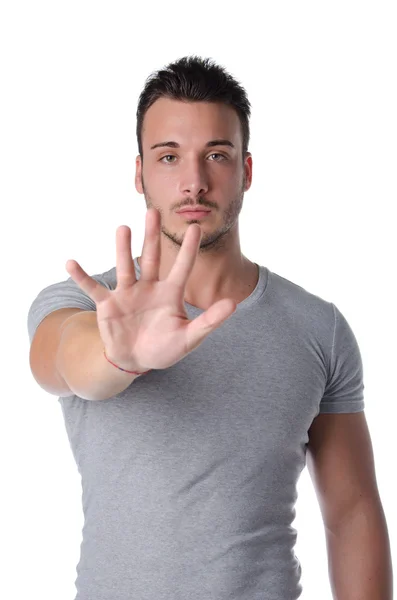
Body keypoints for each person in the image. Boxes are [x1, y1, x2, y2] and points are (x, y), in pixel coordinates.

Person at [27, 55, 393, 600]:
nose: (193, 182)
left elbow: (352, 511)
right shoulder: (88, 305)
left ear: (245, 170)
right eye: (169, 156)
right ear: (139, 174)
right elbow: (62, 364)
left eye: (216, 155)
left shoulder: (319, 328)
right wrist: (120, 356)